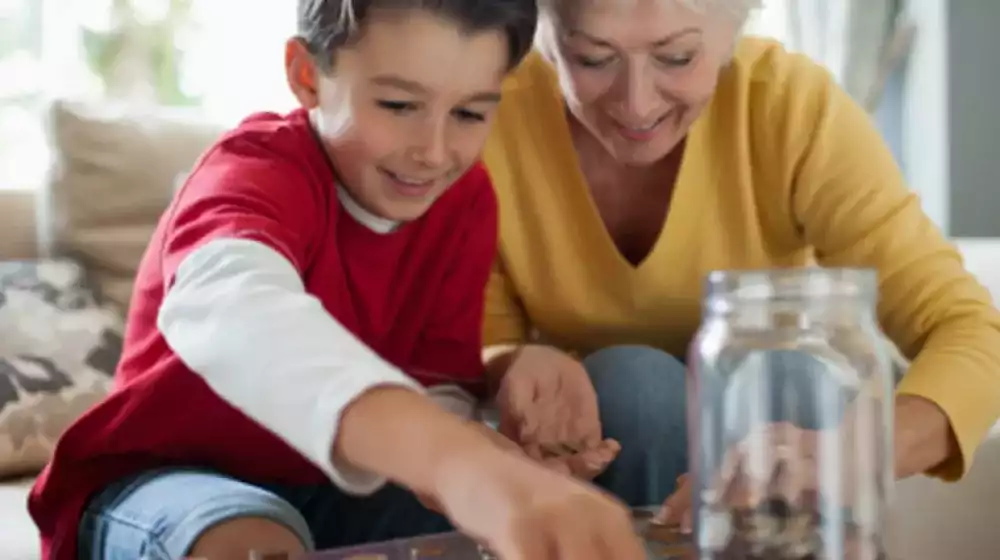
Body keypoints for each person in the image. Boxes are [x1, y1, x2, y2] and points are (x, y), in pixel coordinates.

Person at [27, 1, 651, 559]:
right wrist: (451, 461)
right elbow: (234, 311)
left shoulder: (464, 201)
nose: (434, 152)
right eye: (399, 105)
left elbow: (436, 383)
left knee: (506, 530)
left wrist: (486, 456)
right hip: (168, 478)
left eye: (468, 113)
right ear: (306, 76)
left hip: (328, 486)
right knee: (249, 540)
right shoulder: (254, 170)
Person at [480, 0, 1000, 530]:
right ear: (544, 38)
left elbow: (972, 331)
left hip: (781, 415)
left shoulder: (790, 107)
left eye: (678, 57)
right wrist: (514, 360)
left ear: (732, 31)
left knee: (785, 374)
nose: (636, 105)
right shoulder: (486, 114)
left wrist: (850, 456)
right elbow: (481, 339)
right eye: (592, 59)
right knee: (634, 387)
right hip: (613, 426)